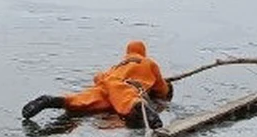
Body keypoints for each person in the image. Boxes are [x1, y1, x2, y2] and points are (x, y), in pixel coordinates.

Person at [21, 40, 173, 129]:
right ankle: (142, 109)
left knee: (82, 100)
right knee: (127, 98)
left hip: (105, 85)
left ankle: (54, 101)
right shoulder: (149, 62)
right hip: (124, 86)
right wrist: (164, 92)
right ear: (143, 52)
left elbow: (101, 76)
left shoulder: (119, 64)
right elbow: (161, 88)